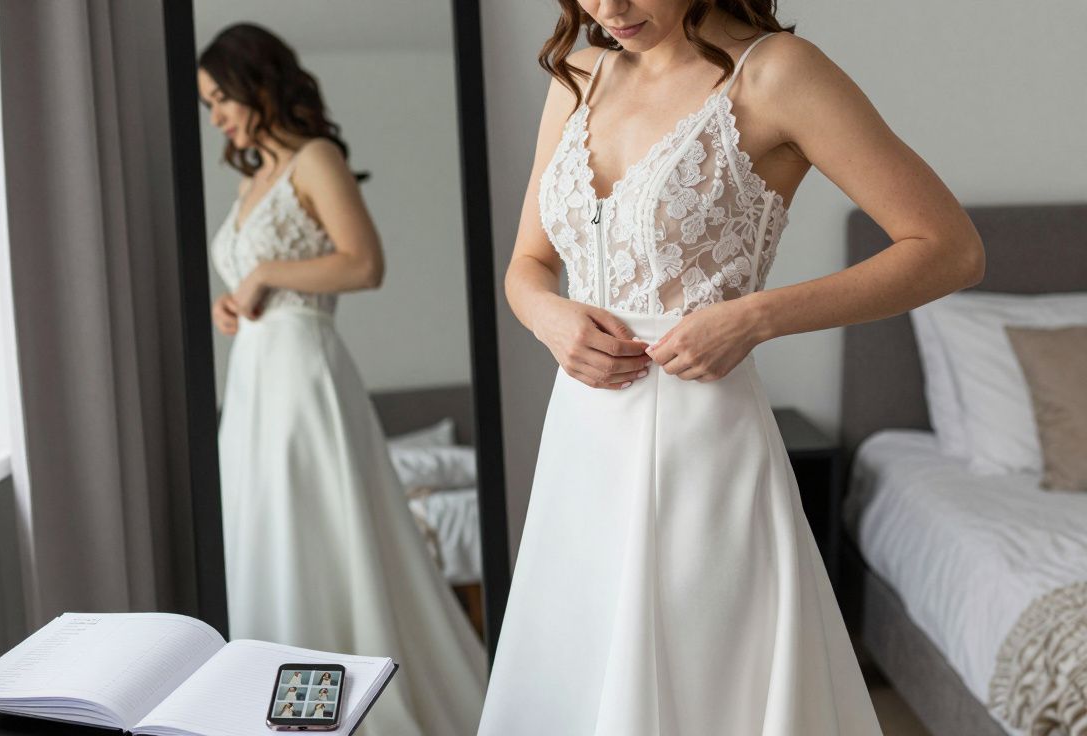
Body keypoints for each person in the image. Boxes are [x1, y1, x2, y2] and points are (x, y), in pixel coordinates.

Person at [477, 1, 983, 734]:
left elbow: (950, 247)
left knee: (705, 686)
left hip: (702, 443)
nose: (608, 8)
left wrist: (757, 316)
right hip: (581, 447)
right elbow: (528, 265)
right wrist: (547, 317)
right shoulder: (578, 75)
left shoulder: (777, 73)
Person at [198, 22, 488, 736]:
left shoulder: (314, 157)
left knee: (314, 532)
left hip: (304, 374)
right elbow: (255, 276)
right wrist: (233, 300)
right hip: (254, 380)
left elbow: (364, 264)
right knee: (265, 531)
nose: (216, 117)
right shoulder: (250, 174)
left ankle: (344, 707)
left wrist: (265, 273)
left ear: (254, 80)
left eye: (219, 98)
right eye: (207, 105)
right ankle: (279, 706)